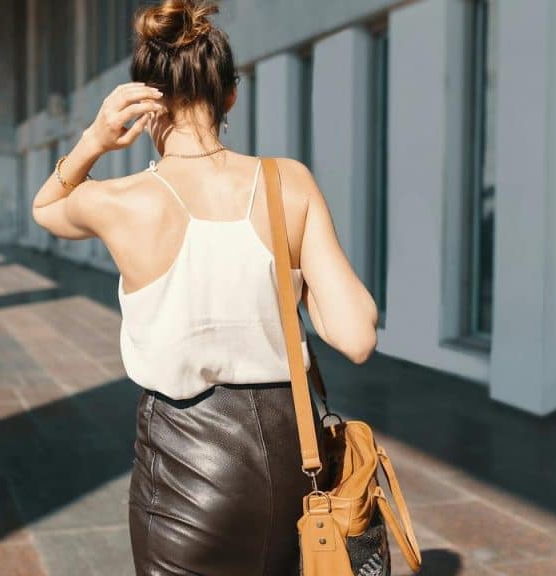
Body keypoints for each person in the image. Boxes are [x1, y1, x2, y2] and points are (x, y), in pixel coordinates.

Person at [31, 1, 378, 573]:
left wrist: (95, 139)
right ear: (230, 96)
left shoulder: (124, 200)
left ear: (147, 105)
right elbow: (357, 336)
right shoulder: (287, 182)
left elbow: (48, 207)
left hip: (184, 466)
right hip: (295, 462)